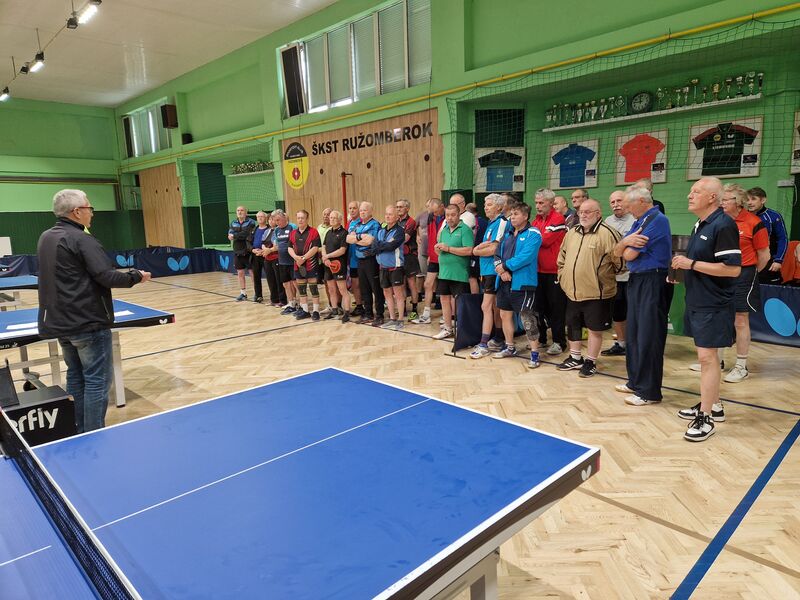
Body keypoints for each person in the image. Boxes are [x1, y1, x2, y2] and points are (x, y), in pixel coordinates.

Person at [37, 189, 151, 433]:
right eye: (90, 208)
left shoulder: (46, 237)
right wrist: (136, 276)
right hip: (87, 322)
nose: (92, 213)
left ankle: (78, 431)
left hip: (61, 324)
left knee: (75, 376)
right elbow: (106, 276)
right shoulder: (82, 239)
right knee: (97, 381)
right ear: (77, 212)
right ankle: (94, 434)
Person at [672, 177, 741, 441]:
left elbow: (732, 269)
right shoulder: (701, 223)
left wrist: (690, 264)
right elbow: (701, 261)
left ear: (712, 197)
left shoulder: (724, 225)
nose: (689, 195)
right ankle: (714, 404)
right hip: (698, 299)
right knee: (705, 357)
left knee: (707, 359)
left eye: (696, 192)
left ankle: (706, 417)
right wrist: (681, 270)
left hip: (714, 303)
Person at [613, 185, 672, 406]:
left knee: (649, 336)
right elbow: (618, 251)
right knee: (635, 333)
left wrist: (625, 246)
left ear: (641, 201)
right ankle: (635, 382)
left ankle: (649, 392)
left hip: (653, 280)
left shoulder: (656, 220)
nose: (626, 208)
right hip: (637, 279)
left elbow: (628, 254)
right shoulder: (639, 222)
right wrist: (625, 243)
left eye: (629, 204)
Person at [556, 199, 622, 378]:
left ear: (598, 214)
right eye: (581, 212)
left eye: (588, 212)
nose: (583, 215)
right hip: (572, 291)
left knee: (594, 329)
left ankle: (591, 361)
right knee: (573, 325)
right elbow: (562, 257)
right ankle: (575, 357)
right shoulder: (572, 233)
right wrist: (563, 277)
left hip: (597, 293)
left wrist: (602, 279)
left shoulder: (608, 233)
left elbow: (620, 263)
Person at [718, 184, 770, 383]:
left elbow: (764, 255)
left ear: (738, 202)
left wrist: (750, 272)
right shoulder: (719, 221)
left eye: (726, 199)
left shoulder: (754, 223)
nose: (722, 203)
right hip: (721, 273)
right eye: (721, 199)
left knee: (740, 320)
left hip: (744, 274)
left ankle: (741, 366)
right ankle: (717, 360)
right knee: (720, 316)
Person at [492, 202, 543, 367]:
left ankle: (534, 353)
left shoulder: (533, 234)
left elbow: (526, 256)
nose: (512, 217)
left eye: (516, 214)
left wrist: (505, 267)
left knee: (527, 317)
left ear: (525, 216)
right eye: (511, 214)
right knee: (505, 315)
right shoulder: (507, 234)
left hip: (523, 284)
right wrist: (502, 271)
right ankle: (510, 347)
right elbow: (496, 254)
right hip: (504, 282)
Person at [470, 193, 509, 358]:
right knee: (493, 307)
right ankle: (498, 338)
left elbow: (494, 248)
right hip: (485, 271)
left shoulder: (501, 222)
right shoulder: (491, 223)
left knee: (485, 306)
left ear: (499, 207)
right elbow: (486, 245)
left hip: (494, 271)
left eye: (490, 204)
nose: (486, 207)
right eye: (485, 205)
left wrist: (476, 250)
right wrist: (480, 248)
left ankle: (483, 344)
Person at [530, 188, 568, 356]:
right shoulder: (536, 221)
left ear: (551, 203)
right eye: (536, 203)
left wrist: (533, 238)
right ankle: (542, 339)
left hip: (554, 271)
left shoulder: (558, 219)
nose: (538, 206)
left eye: (541, 203)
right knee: (538, 307)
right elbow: (533, 239)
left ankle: (559, 342)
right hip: (537, 270)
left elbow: (544, 241)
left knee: (556, 308)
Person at [432, 204, 474, 340]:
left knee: (460, 303)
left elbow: (469, 250)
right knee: (444, 300)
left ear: (459, 215)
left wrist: (448, 249)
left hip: (459, 273)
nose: (449, 218)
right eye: (447, 215)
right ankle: (448, 328)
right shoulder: (444, 230)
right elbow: (441, 250)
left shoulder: (465, 230)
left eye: (453, 215)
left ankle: (463, 330)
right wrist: (438, 249)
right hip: (444, 272)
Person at [602, 191, 636, 356]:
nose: (616, 204)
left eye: (619, 201)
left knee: (633, 312)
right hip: (613, 277)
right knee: (618, 313)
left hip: (631, 275)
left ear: (627, 201)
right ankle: (621, 343)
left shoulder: (635, 220)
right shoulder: (607, 222)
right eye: (613, 202)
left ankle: (634, 344)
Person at [367, 205, 406, 330]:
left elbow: (392, 246)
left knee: (398, 294)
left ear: (396, 217)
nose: (387, 216)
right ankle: (392, 318)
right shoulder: (381, 231)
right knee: (387, 293)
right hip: (382, 267)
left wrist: (380, 245)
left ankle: (400, 320)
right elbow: (374, 247)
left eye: (390, 214)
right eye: (386, 214)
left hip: (396, 267)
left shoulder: (399, 231)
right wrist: (382, 244)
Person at [346, 202, 384, 326]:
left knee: (375, 288)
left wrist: (356, 239)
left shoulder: (375, 224)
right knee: (364, 288)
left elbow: (370, 241)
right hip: (360, 260)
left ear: (371, 211)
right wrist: (361, 238)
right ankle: (368, 314)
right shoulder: (357, 224)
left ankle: (379, 315)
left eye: (365, 210)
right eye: (361, 210)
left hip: (371, 260)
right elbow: (348, 239)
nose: (362, 212)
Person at [411, 198, 445, 325]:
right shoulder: (431, 217)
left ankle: (448, 315)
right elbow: (431, 237)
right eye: (432, 211)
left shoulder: (447, 218)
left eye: (435, 211)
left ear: (442, 207)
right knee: (427, 284)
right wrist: (431, 254)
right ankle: (426, 314)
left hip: (445, 257)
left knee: (444, 286)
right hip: (434, 257)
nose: (433, 214)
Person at [747, 187, 788, 284]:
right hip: (748, 261)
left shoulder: (774, 216)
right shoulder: (742, 216)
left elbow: (782, 239)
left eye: (753, 199)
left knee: (770, 290)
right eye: (747, 200)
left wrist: (778, 260)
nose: (749, 203)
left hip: (769, 261)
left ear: (763, 200)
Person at [288, 210, 322, 321]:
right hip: (297, 264)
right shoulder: (293, 233)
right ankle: (305, 311)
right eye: (298, 218)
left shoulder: (314, 232)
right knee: (301, 289)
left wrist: (303, 258)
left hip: (311, 264)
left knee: (313, 288)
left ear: (307, 219)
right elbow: (289, 248)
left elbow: (315, 248)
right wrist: (296, 258)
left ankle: (316, 311)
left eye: (302, 218)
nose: (300, 220)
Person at [320, 210, 350, 323]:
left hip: (339, 265)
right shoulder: (328, 232)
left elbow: (342, 250)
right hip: (328, 265)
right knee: (331, 289)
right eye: (331, 217)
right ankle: (334, 310)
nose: (331, 219)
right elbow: (323, 246)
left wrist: (328, 256)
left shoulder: (344, 233)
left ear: (340, 220)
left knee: (342, 290)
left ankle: (346, 312)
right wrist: (325, 258)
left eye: (334, 218)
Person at [396, 198, 420, 320]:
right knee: (402, 284)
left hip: (410, 256)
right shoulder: (396, 221)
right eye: (397, 207)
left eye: (401, 207)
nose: (398, 209)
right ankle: (403, 308)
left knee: (411, 284)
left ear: (407, 208)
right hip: (398, 256)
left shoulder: (411, 222)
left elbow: (405, 238)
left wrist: (392, 240)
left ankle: (415, 309)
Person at [228, 206, 257, 301]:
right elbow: (230, 235)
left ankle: (257, 293)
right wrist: (233, 236)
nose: (239, 212)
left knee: (252, 273)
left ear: (246, 212)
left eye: (242, 210)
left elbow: (246, 234)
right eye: (238, 210)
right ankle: (243, 293)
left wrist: (235, 235)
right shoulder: (233, 222)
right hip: (237, 251)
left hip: (248, 251)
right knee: (240, 273)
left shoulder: (251, 222)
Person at [274, 210, 299, 315]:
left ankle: (302, 305)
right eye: (275, 220)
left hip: (292, 261)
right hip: (282, 261)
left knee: (296, 283)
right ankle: (291, 304)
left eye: (278, 220)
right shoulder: (276, 230)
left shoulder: (291, 227)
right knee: (286, 284)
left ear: (284, 218)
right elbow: (276, 244)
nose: (277, 222)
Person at [317, 207, 338, 315]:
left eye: (328, 214)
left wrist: (323, 252)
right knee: (326, 283)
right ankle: (331, 305)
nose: (326, 216)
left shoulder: (333, 229)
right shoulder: (319, 227)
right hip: (321, 260)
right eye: (324, 214)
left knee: (336, 284)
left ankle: (338, 305)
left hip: (332, 259)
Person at [261, 212, 285, 306]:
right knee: (270, 280)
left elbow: (278, 245)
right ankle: (274, 300)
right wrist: (264, 249)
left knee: (278, 280)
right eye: (270, 220)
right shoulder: (266, 231)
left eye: (273, 219)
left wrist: (269, 250)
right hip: (267, 259)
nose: (271, 221)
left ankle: (282, 300)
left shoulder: (279, 230)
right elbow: (263, 242)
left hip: (276, 258)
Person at [345, 200, 364, 316]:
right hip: (352, 259)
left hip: (362, 258)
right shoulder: (349, 223)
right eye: (350, 208)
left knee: (364, 284)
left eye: (354, 208)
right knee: (355, 284)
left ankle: (368, 306)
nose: (352, 210)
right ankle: (359, 306)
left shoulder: (363, 222)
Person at [250, 211, 270, 303]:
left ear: (265, 218)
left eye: (262, 216)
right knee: (256, 276)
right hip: (255, 256)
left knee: (270, 276)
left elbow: (272, 242)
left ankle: (274, 296)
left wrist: (263, 251)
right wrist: (253, 250)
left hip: (266, 255)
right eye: (258, 217)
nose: (260, 218)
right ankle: (258, 295)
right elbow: (248, 242)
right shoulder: (253, 229)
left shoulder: (270, 229)